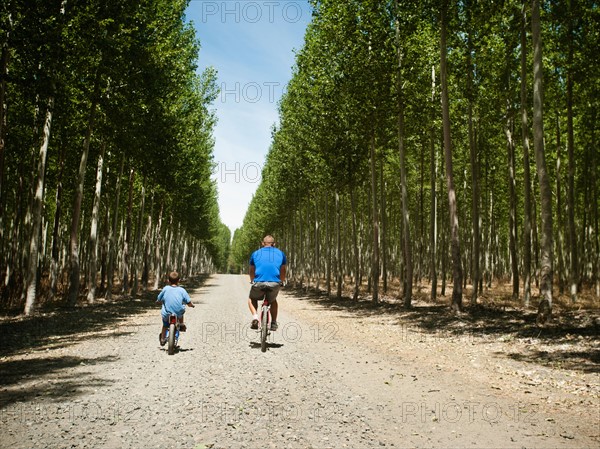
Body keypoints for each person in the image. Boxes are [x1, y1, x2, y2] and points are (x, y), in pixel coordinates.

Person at [248, 235, 286, 331]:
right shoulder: (281, 254)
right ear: (274, 244)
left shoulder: (256, 253)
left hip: (259, 282)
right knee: (272, 300)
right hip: (274, 283)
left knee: (252, 298)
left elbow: (252, 270)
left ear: (262, 243)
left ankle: (255, 317)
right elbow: (283, 270)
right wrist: (281, 281)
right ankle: (273, 323)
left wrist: (252, 280)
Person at [157, 271, 194, 346]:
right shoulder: (182, 290)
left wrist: (158, 301)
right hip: (178, 312)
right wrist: (191, 305)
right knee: (181, 310)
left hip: (167, 313)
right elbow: (188, 301)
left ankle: (162, 339)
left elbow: (159, 298)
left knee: (165, 325)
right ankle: (181, 324)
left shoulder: (165, 289)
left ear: (168, 280)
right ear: (179, 280)